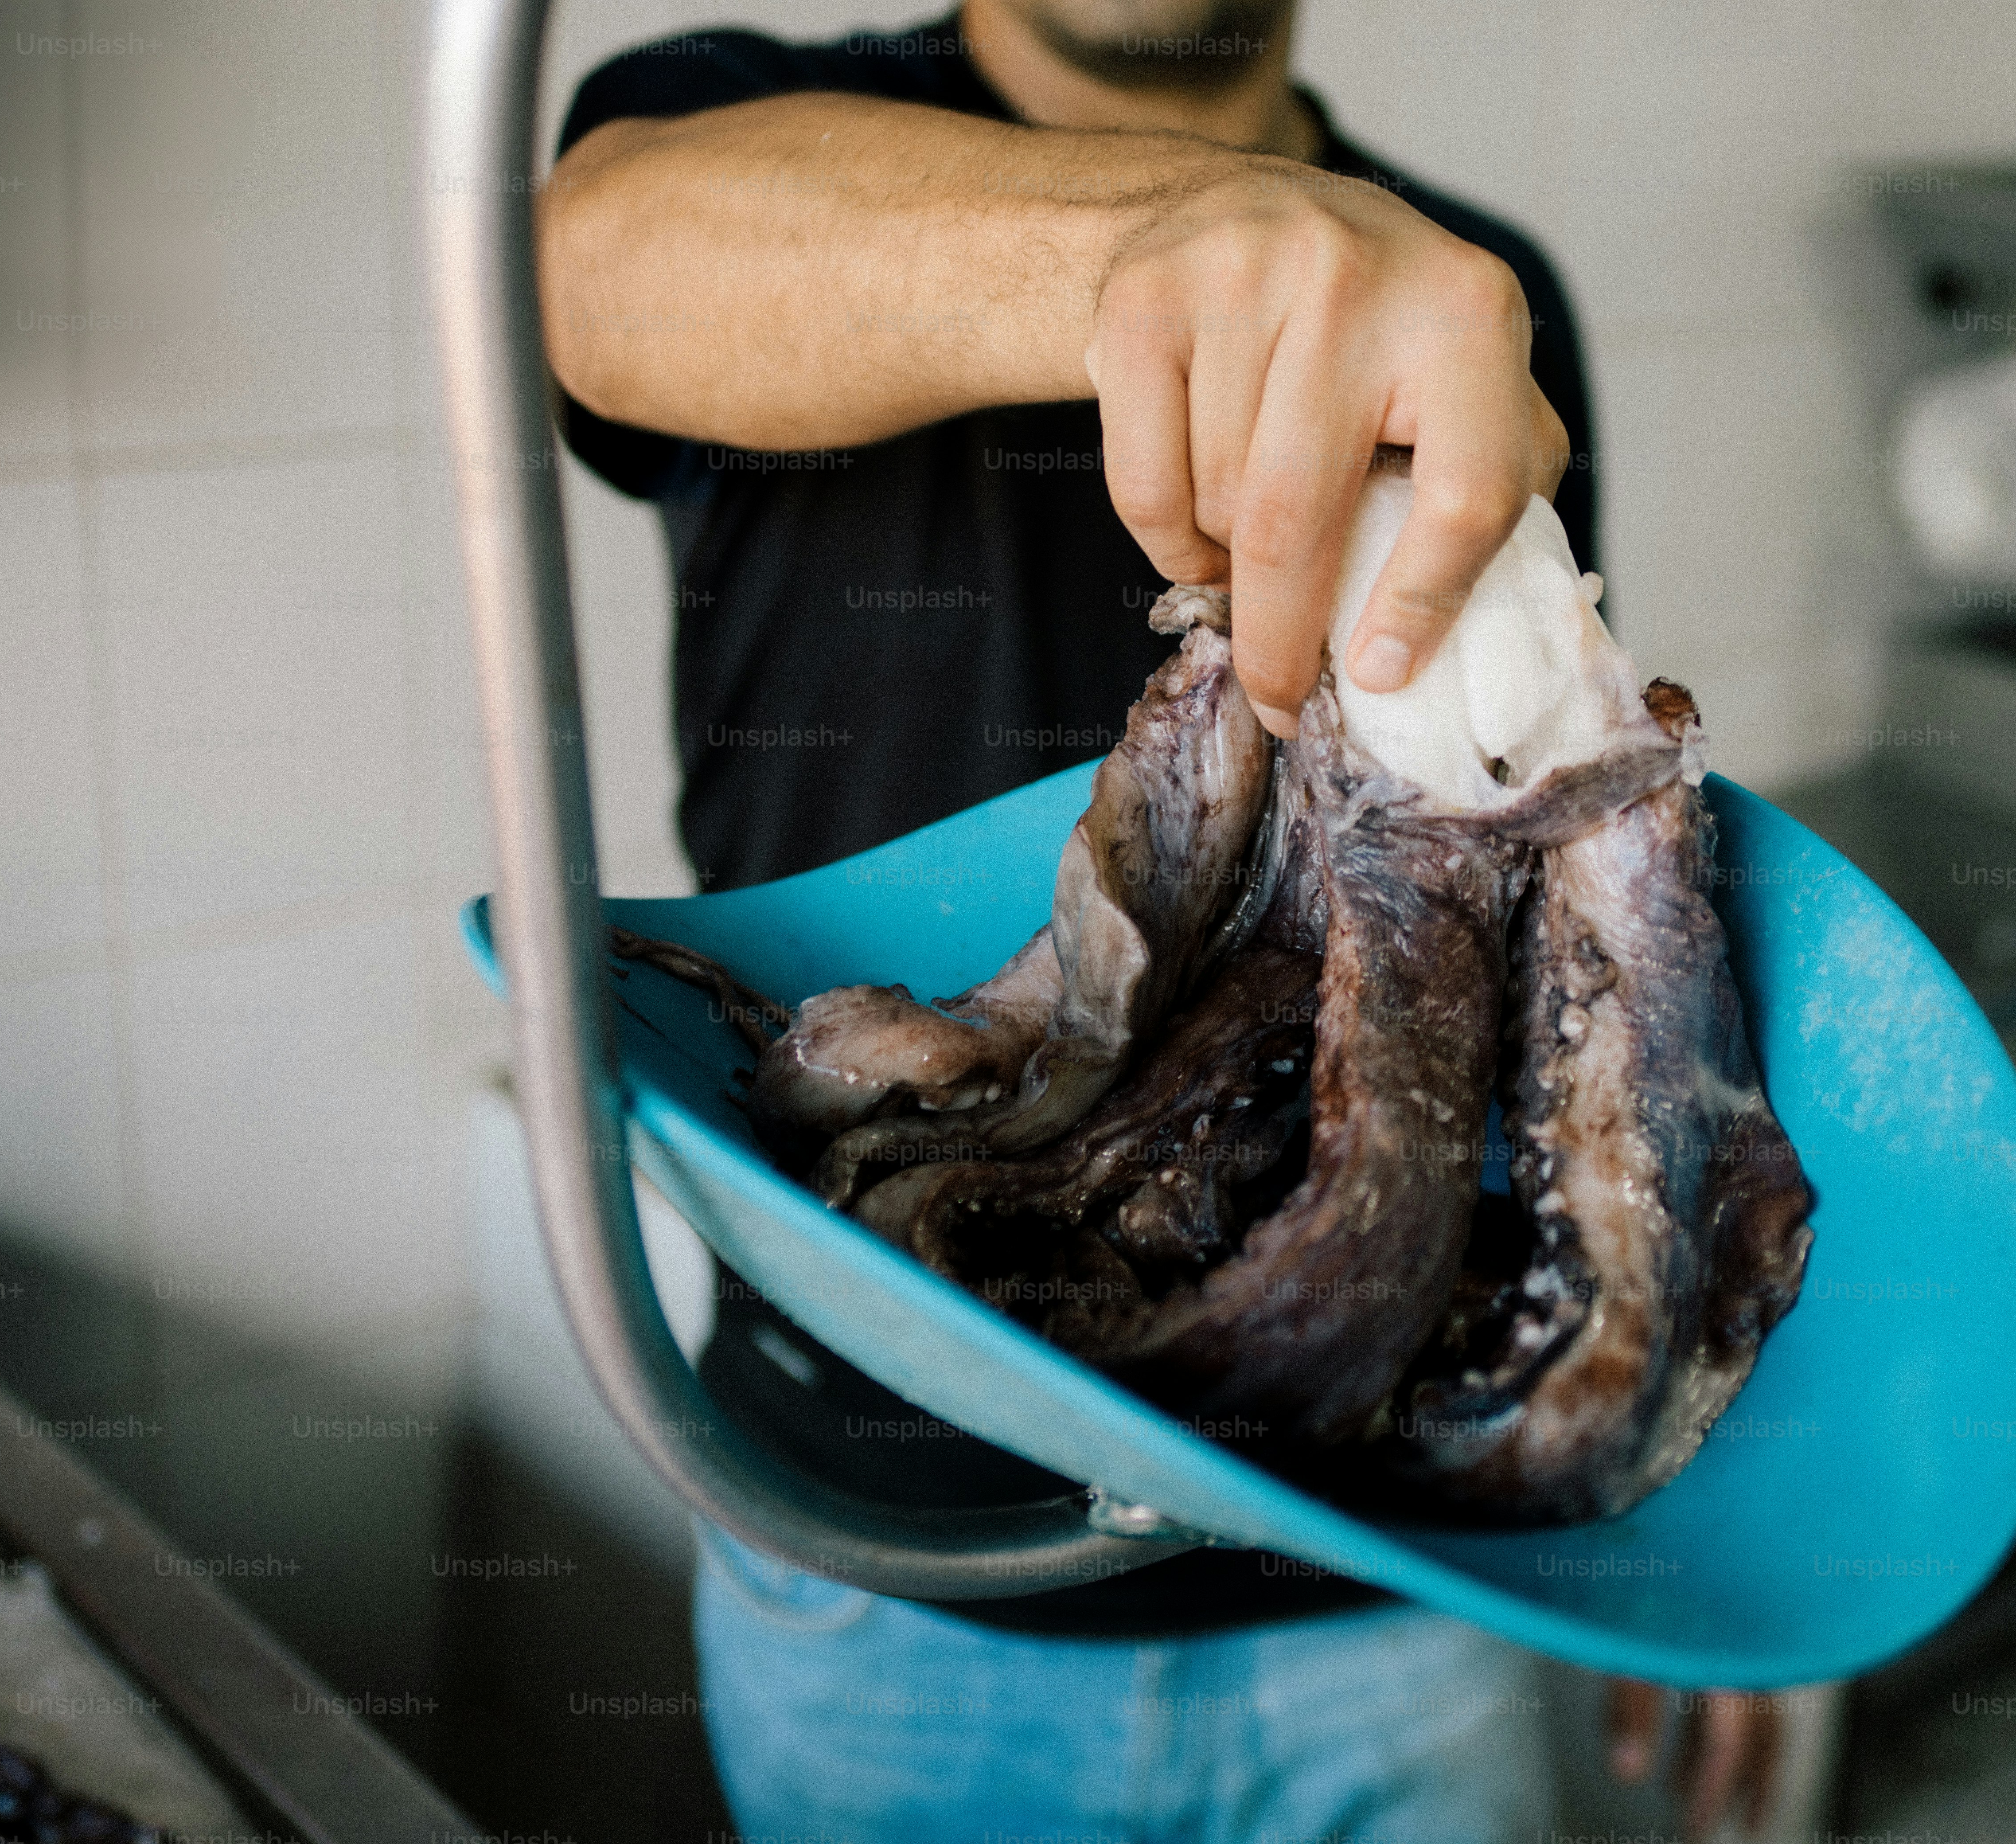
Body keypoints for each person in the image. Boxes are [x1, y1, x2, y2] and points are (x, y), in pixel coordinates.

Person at [538, 3, 1787, 1836]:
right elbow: (597, 264)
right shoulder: (719, 124)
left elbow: (1548, 893)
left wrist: (1681, 1518)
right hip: (889, 1562)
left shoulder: (1485, 296)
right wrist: (1170, 243)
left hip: (1394, 1577)